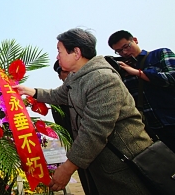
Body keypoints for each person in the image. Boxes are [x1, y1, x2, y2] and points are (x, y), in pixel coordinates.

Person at [14, 28, 153, 195]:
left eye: (60, 51)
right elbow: (57, 95)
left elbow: (95, 131)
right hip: (103, 165)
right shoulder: (76, 77)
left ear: (77, 53)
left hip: (125, 164)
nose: (57, 56)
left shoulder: (102, 78)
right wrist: (28, 91)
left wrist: (67, 168)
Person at [108, 30, 175, 152]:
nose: (125, 52)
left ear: (135, 40)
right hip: (153, 128)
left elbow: (171, 77)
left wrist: (138, 73)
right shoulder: (123, 69)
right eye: (119, 51)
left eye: (126, 47)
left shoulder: (160, 54)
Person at [51, 60, 99, 195]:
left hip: (98, 150)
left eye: (71, 71)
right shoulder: (58, 102)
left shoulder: (93, 87)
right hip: (77, 154)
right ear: (60, 76)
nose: (70, 75)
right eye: (65, 72)